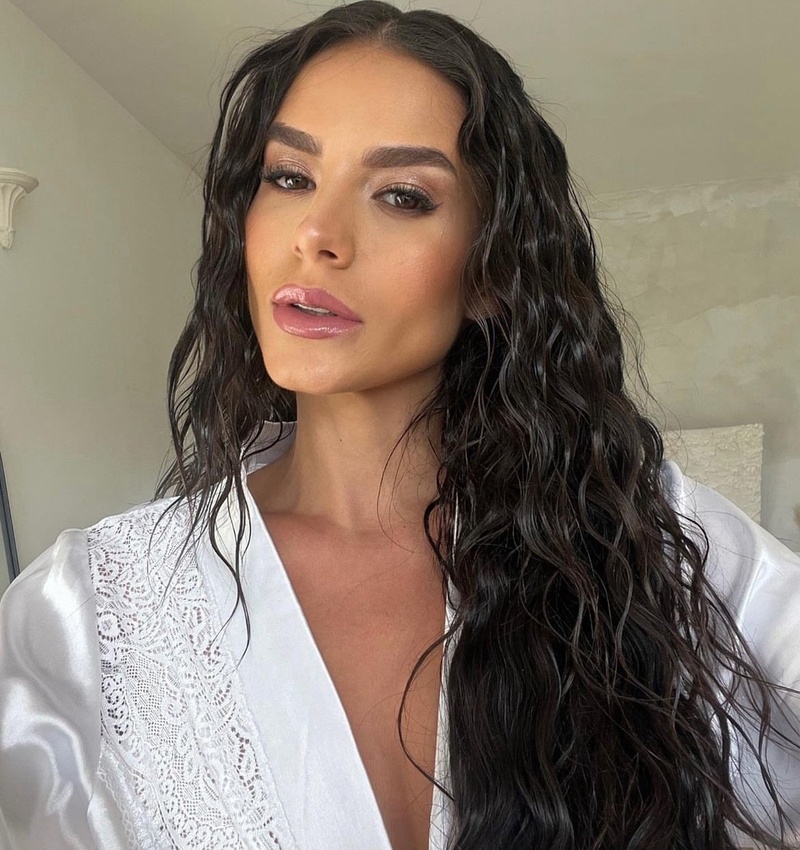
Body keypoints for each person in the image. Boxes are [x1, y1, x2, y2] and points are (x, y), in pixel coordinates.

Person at [1, 1, 799, 848]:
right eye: (289, 177)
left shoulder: (649, 541)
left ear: (491, 271)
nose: (317, 235)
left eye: (403, 196)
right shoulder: (83, 612)